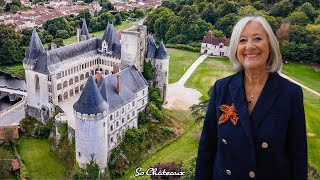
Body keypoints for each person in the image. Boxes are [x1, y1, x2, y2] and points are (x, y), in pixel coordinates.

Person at [195, 16, 307, 180]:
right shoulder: (221, 88)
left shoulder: (291, 94)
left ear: (270, 45)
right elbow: (206, 149)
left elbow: (298, 158)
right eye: (242, 40)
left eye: (257, 39)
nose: (249, 46)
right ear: (235, 48)